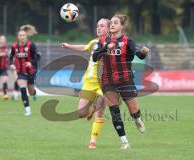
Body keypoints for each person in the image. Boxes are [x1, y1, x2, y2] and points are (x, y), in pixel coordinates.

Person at [93, 15, 150, 149]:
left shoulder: (128, 41)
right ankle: (124, 142)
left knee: (133, 110)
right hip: (108, 80)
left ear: (121, 26)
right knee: (114, 110)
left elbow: (139, 54)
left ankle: (137, 119)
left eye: (115, 23)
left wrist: (143, 52)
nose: (112, 25)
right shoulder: (102, 41)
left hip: (125, 79)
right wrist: (105, 48)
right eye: (111, 23)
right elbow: (95, 57)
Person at [61, 18, 110, 149]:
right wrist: (69, 46)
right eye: (97, 25)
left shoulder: (112, 44)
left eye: (102, 26)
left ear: (108, 29)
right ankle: (92, 108)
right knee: (81, 113)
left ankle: (92, 141)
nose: (99, 28)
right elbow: (84, 47)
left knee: (100, 112)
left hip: (104, 82)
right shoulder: (94, 42)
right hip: (89, 82)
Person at [9, 25, 40, 116]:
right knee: (22, 89)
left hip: (31, 71)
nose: (22, 37)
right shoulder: (14, 47)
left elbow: (38, 56)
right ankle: (27, 109)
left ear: (26, 37)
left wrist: (31, 63)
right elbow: (11, 56)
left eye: (23, 35)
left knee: (30, 91)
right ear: (18, 37)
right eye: (20, 35)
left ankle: (34, 93)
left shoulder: (31, 45)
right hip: (20, 71)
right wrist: (11, 64)